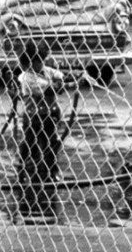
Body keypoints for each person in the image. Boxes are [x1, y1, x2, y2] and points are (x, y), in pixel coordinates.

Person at [14, 41, 86, 225]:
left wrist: (67, 77)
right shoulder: (27, 78)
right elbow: (51, 89)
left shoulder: (46, 70)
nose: (40, 65)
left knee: (52, 143)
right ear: (29, 63)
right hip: (33, 117)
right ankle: (21, 164)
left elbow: (57, 76)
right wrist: (70, 84)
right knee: (30, 142)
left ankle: (52, 170)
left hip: (50, 115)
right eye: (37, 62)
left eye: (42, 61)